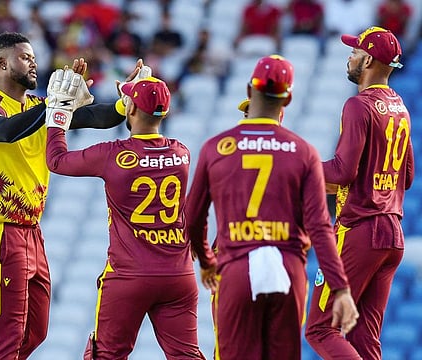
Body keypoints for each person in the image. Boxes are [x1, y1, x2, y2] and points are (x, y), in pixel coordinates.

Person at [0, 31, 143, 360]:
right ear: (2, 64)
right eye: (24, 57)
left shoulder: (35, 107)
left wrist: (127, 101)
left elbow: (94, 117)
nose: (33, 63)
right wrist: (53, 104)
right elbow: (3, 131)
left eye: (33, 57)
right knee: (6, 336)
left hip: (31, 231)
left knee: (36, 330)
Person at [186, 54, 359, 360]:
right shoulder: (303, 152)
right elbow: (320, 227)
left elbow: (193, 218)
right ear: (288, 99)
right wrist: (341, 289)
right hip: (287, 269)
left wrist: (207, 260)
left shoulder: (217, 148)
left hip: (236, 265)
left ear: (250, 92)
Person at [45, 74, 206, 360]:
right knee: (187, 356)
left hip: (128, 276)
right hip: (178, 276)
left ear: (130, 109)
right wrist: (138, 96)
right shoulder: (182, 153)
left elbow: (56, 160)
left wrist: (58, 115)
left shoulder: (112, 154)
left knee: (106, 355)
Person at [305, 26, 414, 360]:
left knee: (321, 329)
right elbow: (407, 177)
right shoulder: (400, 108)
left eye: (354, 52)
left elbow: (342, 173)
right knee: (365, 340)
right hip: (392, 234)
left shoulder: (358, 105)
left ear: (367, 59)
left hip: (360, 231)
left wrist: (300, 166)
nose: (350, 57)